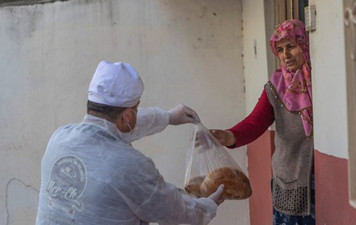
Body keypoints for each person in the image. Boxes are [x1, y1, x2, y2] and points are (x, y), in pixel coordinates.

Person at [35, 60, 224, 225]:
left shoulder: (60, 138)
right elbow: (172, 210)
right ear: (127, 114)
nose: (136, 112)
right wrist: (208, 206)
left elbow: (111, 131)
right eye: (136, 108)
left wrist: (167, 117)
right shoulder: (129, 165)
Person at [210, 20, 314, 225]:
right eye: (281, 50)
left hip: (321, 179)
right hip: (290, 179)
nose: (286, 55)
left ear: (304, 45)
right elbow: (255, 122)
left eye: (292, 46)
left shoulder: (322, 81)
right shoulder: (275, 88)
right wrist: (228, 135)